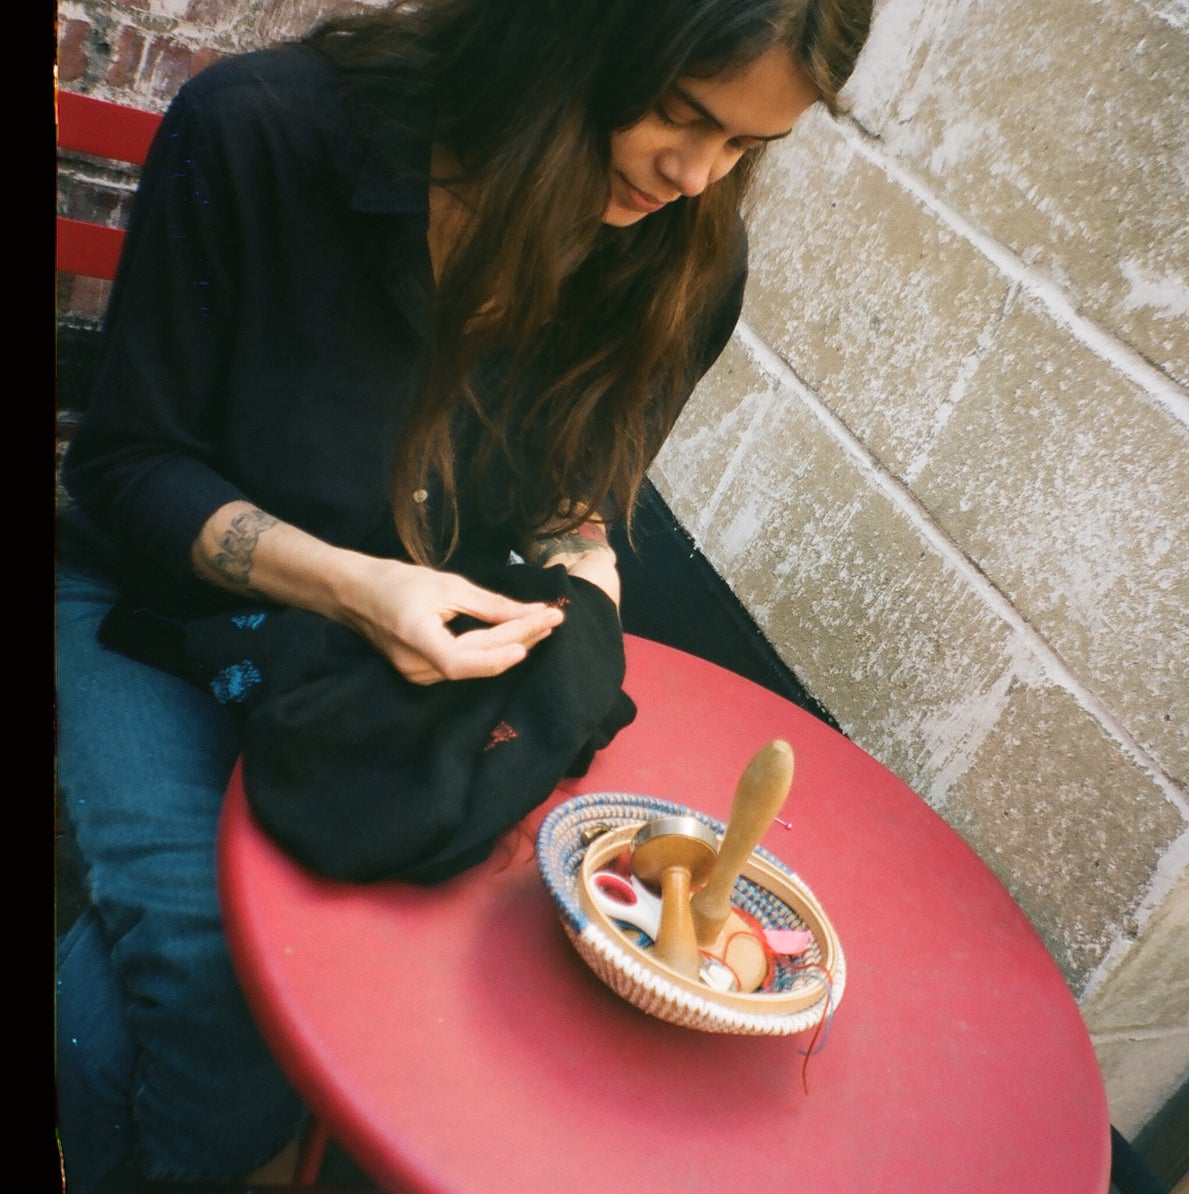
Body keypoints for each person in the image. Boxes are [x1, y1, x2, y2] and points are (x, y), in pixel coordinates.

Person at [53, 0, 871, 1188]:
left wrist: (581, 580)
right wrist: (349, 584)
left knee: (338, 969)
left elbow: (565, 499)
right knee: (214, 959)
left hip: (414, 649)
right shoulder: (263, 131)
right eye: (682, 115)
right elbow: (127, 472)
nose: (695, 177)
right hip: (157, 606)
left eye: (749, 147)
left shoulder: (682, 254)